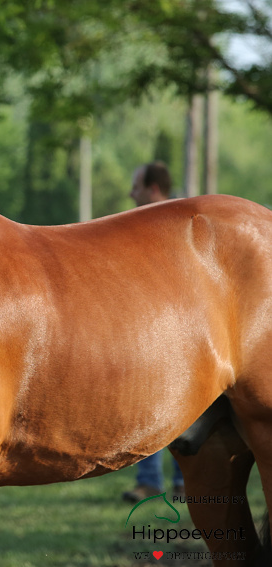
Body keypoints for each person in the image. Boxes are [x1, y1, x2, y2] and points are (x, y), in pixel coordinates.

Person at [122, 160, 185, 503]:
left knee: (161, 409)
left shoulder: (170, 224)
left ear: (153, 189)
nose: (131, 194)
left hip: (173, 330)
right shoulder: (152, 224)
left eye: (136, 187)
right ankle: (166, 481)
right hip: (157, 330)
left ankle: (173, 481)